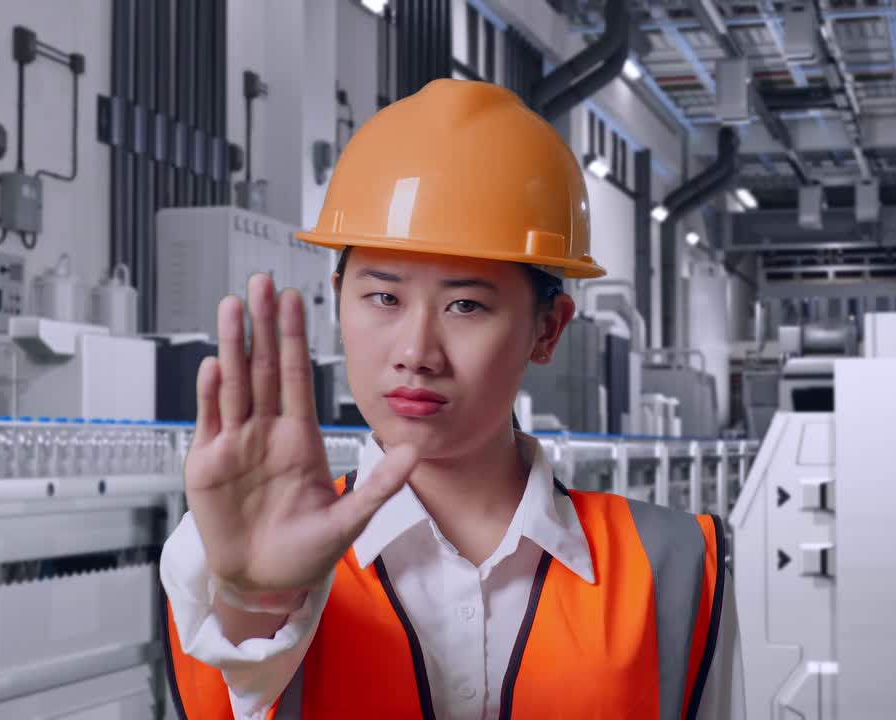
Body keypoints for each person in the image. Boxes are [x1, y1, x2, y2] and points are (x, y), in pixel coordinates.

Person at [159, 79, 744, 720]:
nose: (417, 350)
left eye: (466, 304)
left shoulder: (675, 564)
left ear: (546, 329)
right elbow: (238, 675)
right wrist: (257, 599)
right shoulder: (237, 551)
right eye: (383, 297)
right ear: (337, 298)